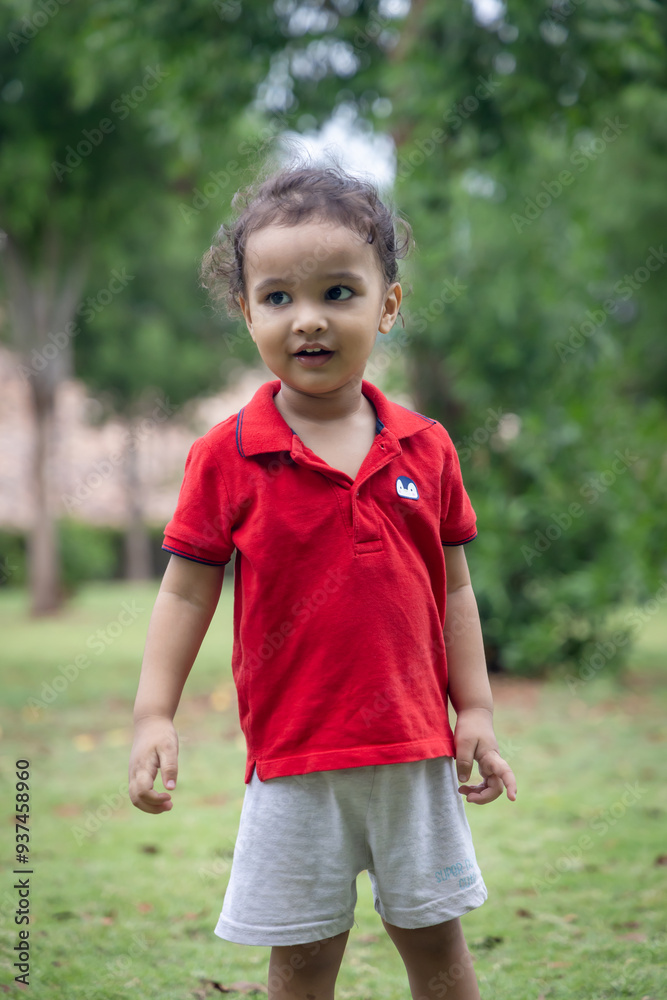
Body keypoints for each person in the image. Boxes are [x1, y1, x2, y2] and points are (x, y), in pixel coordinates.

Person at [129, 157, 517, 1000]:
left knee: (438, 951)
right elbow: (185, 591)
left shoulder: (426, 448)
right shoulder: (226, 457)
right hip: (293, 761)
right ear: (246, 313)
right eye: (278, 297)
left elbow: (452, 589)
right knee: (301, 964)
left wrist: (477, 709)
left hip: (415, 753)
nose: (307, 319)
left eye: (338, 292)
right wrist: (154, 713)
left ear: (387, 305)